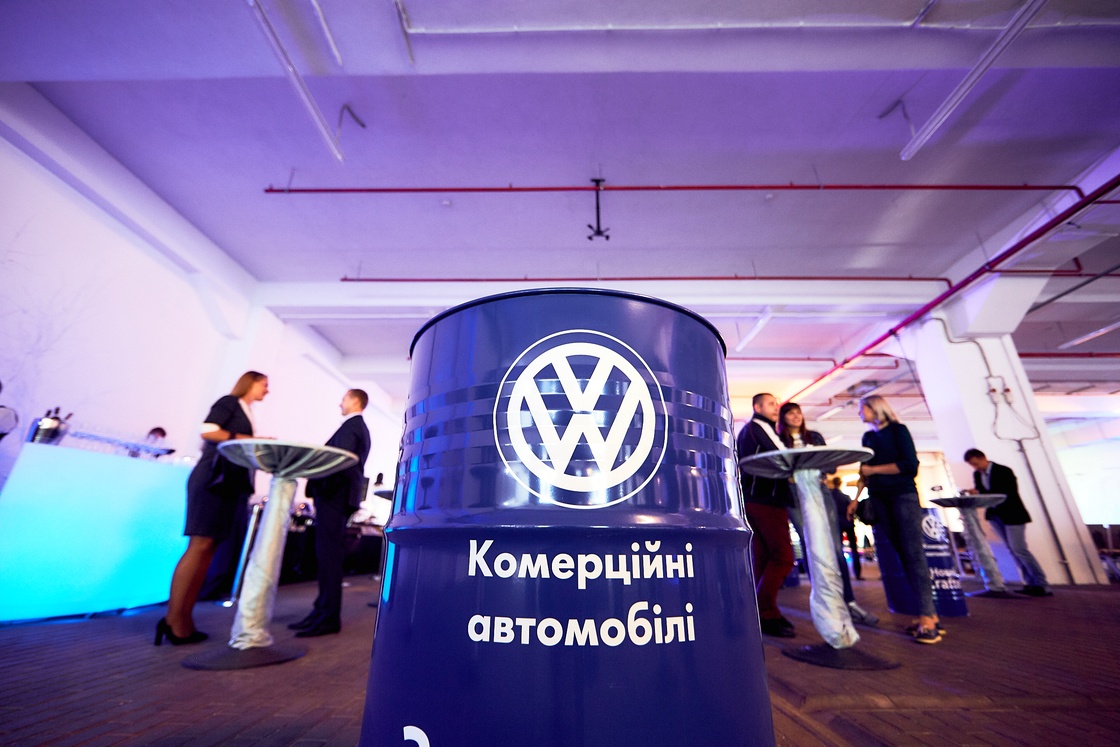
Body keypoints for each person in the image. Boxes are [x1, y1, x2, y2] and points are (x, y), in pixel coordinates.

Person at [158, 371, 269, 646]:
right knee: (199, 545)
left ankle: (184, 618)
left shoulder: (245, 410)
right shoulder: (229, 402)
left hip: (226, 484)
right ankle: (173, 619)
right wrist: (248, 439)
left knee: (208, 548)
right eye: (264, 385)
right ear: (251, 383)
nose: (267, 391)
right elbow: (208, 430)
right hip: (211, 480)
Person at [848, 395, 941, 644]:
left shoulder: (899, 431)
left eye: (863, 409)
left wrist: (875, 470)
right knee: (903, 554)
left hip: (903, 495)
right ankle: (929, 614)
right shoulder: (868, 437)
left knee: (913, 554)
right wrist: (856, 499)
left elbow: (909, 465)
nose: (860, 414)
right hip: (879, 498)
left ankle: (927, 617)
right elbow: (863, 472)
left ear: (875, 408)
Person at [778, 402, 877, 627]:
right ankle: (824, 602)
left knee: (835, 548)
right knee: (810, 546)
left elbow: (830, 467)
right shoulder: (779, 441)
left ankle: (848, 602)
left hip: (820, 491)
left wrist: (815, 468)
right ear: (783, 418)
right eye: (790, 413)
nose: (796, 416)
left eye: (798, 412)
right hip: (794, 494)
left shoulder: (814, 436)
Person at [289, 389, 372, 637]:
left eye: (344, 399)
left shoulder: (352, 427)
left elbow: (337, 461)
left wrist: (313, 473)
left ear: (355, 401)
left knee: (329, 557)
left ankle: (328, 617)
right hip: (336, 496)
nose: (340, 403)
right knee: (326, 556)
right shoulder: (354, 428)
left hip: (334, 496)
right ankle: (320, 610)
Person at [737, 393, 796, 638]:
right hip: (767, 501)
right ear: (757, 406)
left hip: (753, 500)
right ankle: (765, 612)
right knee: (783, 557)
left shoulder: (748, 430)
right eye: (771, 404)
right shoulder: (759, 427)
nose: (776, 408)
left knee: (762, 559)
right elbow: (783, 456)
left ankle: (760, 612)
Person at [963, 448, 1052, 597]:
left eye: (976, 463)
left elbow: (1006, 492)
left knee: (1019, 549)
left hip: (1013, 514)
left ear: (983, 457)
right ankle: (1030, 583)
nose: (975, 467)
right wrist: (975, 493)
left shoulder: (1004, 471)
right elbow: (982, 492)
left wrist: (979, 493)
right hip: (995, 515)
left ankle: (1042, 584)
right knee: (1012, 549)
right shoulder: (977, 474)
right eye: (972, 465)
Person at [829, 476, 861, 581]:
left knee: (838, 549)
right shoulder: (845, 497)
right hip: (848, 523)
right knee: (854, 548)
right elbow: (852, 510)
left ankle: (840, 573)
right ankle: (857, 572)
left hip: (836, 524)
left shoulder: (830, 496)